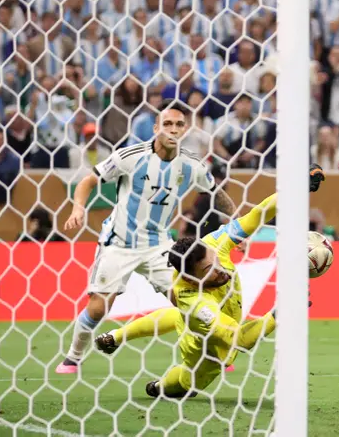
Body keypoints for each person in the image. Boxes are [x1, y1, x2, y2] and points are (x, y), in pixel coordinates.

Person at [94, 166, 326, 398]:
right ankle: (160, 387)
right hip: (204, 345)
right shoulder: (197, 304)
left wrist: (296, 188)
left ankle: (116, 336)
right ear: (191, 279)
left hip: (212, 309)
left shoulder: (214, 243)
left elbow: (257, 215)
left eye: (214, 261)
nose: (219, 270)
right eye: (208, 271)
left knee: (177, 315)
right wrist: (281, 311)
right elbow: (241, 340)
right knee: (188, 384)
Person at [55, 103, 239, 375]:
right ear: (156, 128)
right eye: (167, 124)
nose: (173, 130)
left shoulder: (192, 164)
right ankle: (73, 357)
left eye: (178, 125)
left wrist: (235, 226)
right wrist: (78, 207)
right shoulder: (131, 156)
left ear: (185, 129)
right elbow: (88, 181)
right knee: (98, 308)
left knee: (187, 298)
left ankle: (214, 352)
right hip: (119, 242)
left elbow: (217, 193)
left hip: (159, 245)